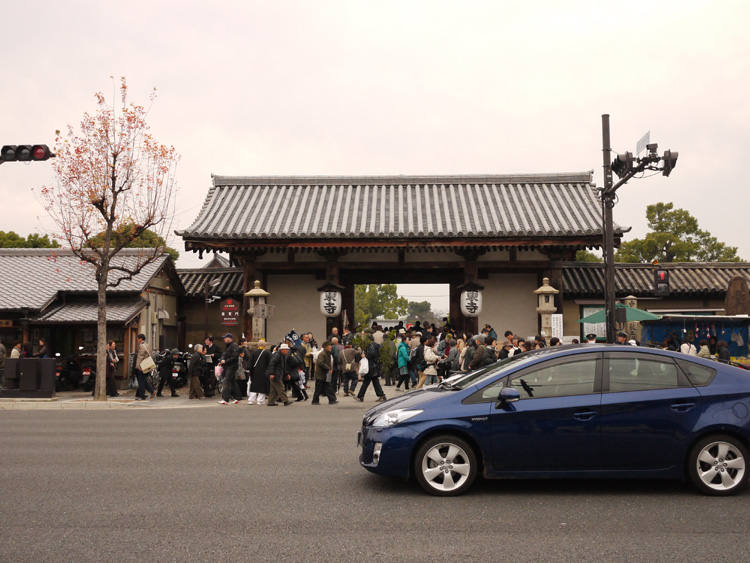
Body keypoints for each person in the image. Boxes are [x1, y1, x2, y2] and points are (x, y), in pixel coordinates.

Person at [311, 340, 338, 405]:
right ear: (326, 347)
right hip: (321, 374)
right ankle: (315, 400)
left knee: (327, 387)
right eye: (329, 345)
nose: (330, 347)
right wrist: (328, 368)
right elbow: (321, 363)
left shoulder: (327, 353)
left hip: (324, 374)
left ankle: (332, 399)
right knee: (319, 388)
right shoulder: (322, 354)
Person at [218, 333, 242, 405]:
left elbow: (235, 357)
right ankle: (238, 397)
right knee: (233, 382)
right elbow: (224, 354)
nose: (224, 339)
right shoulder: (228, 346)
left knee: (226, 381)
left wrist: (226, 361)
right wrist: (222, 360)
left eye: (225, 338)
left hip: (231, 366)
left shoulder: (234, 345)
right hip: (228, 366)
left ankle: (225, 398)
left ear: (230, 338)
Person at [247, 339, 271, 405]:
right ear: (264, 346)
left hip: (255, 372)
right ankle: (260, 400)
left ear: (258, 345)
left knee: (254, 386)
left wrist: (249, 370)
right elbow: (270, 363)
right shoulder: (267, 353)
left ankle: (251, 400)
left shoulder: (253, 353)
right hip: (264, 372)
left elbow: (250, 363)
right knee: (263, 386)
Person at [134, 333, 156, 401]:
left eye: (138, 339)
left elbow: (140, 357)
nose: (137, 340)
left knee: (141, 381)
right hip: (147, 365)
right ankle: (151, 391)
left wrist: (138, 366)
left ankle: (142, 395)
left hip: (142, 366)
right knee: (143, 380)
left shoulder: (142, 346)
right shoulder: (148, 345)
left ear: (140, 339)